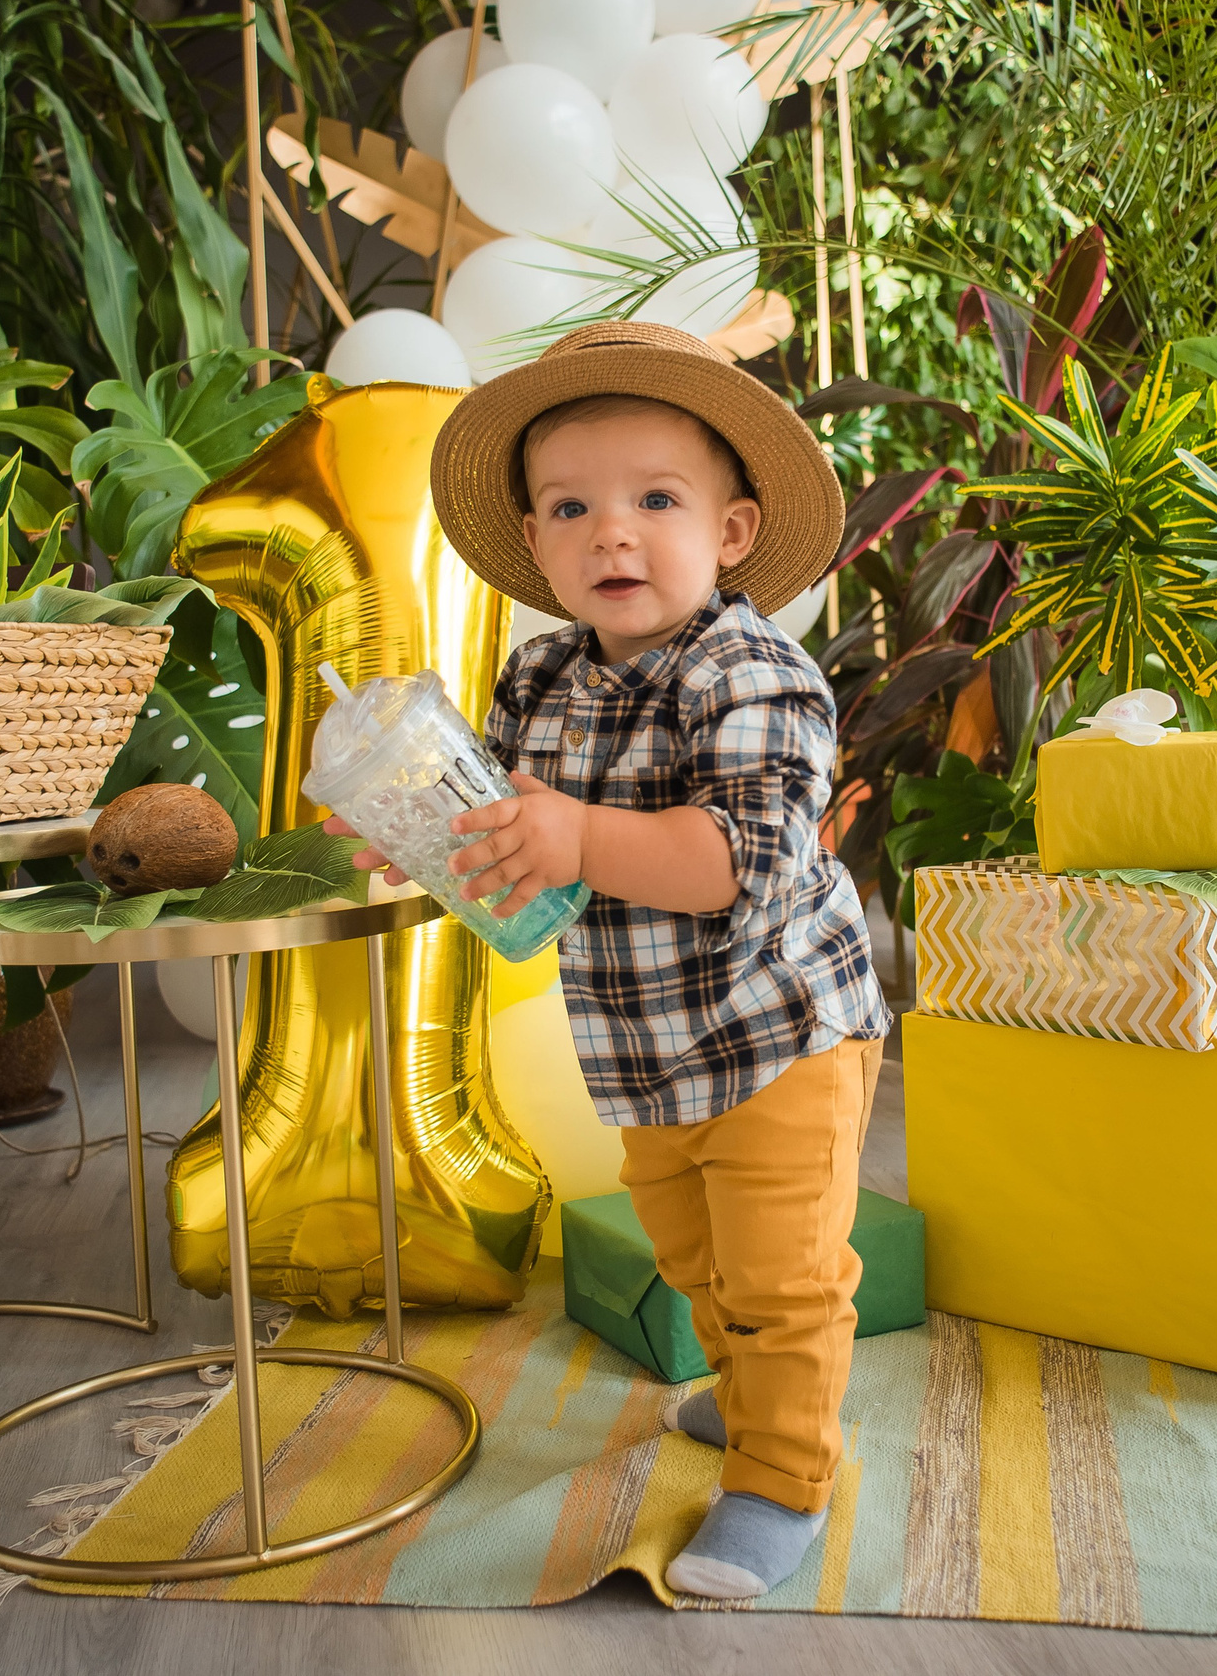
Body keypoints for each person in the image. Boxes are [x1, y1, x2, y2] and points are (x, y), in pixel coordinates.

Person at [323, 321, 889, 1600]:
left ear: (731, 531)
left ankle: (783, 1476)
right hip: (642, 1046)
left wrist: (574, 830)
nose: (610, 534)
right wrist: (407, 823)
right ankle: (747, 1397)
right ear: (534, 542)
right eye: (571, 506)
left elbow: (736, 857)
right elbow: (495, 820)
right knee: (694, 1265)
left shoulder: (755, 673)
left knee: (780, 1274)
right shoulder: (539, 675)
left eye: (655, 500)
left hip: (779, 1030)